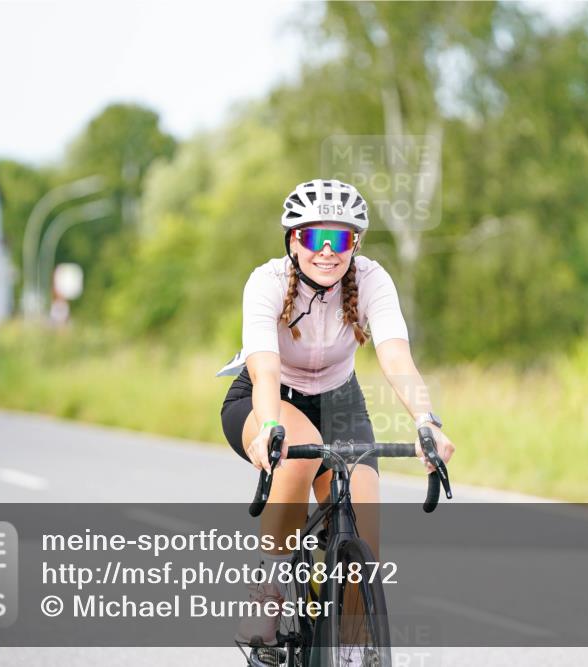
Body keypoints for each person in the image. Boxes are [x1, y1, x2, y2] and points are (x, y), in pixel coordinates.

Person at [219, 178, 455, 654]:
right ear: (293, 240)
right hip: (265, 398)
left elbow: (395, 357)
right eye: (314, 238)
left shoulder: (371, 279)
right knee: (298, 453)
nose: (327, 252)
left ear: (356, 244)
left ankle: (342, 643)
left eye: (340, 239)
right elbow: (264, 370)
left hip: (340, 401)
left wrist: (425, 421)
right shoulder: (265, 282)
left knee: (363, 539)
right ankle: (269, 590)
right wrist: (269, 428)